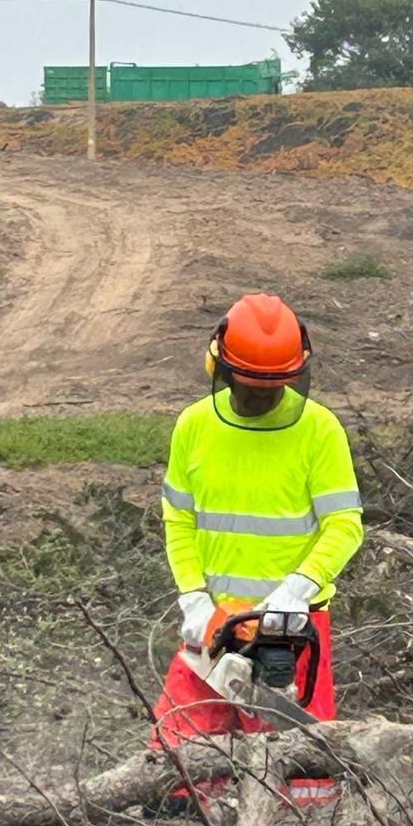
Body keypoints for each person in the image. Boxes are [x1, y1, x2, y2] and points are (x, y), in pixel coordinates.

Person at [153, 292, 364, 749]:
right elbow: (179, 521)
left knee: (299, 773)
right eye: (249, 385)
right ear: (221, 368)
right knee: (173, 769)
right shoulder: (194, 425)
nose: (260, 395)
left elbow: (345, 524)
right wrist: (193, 596)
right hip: (215, 619)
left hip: (294, 628)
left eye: (271, 386)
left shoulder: (319, 430)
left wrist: (297, 591)